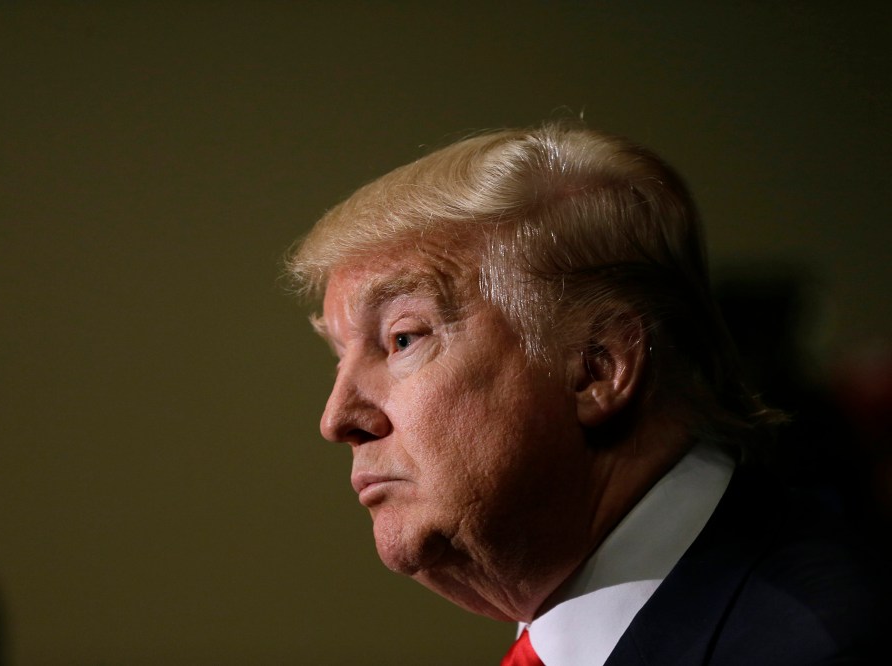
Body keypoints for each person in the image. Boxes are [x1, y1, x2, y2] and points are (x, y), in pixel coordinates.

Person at [284, 122, 884, 664]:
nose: (338, 419)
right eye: (340, 357)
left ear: (598, 367)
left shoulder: (818, 647)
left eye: (403, 338)